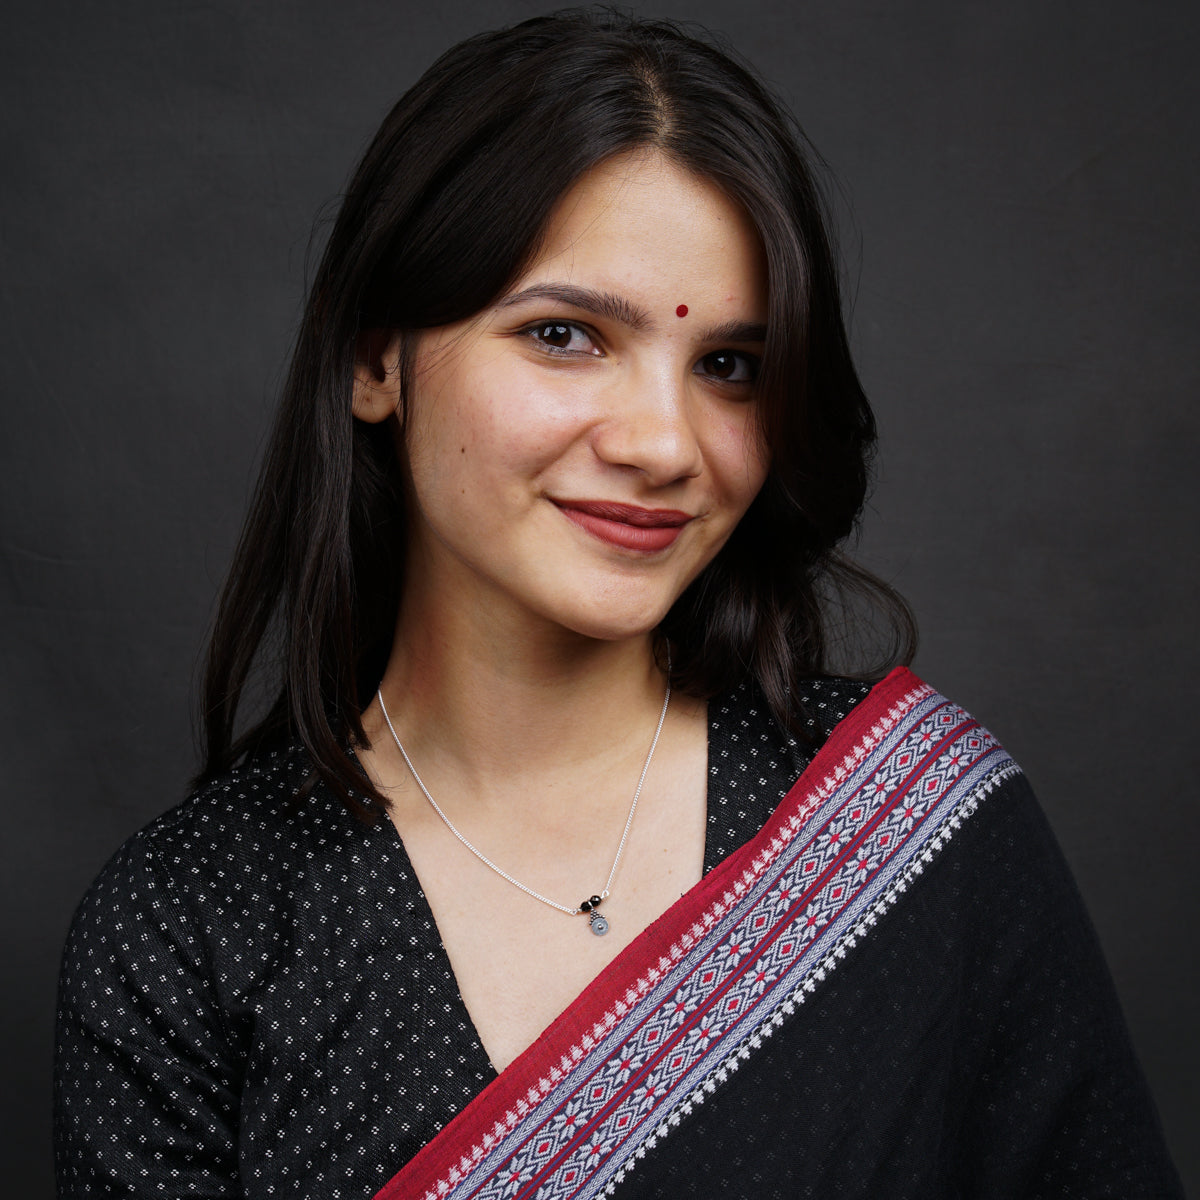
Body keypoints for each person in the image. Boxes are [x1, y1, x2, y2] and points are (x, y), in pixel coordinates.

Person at [53, 9, 1182, 1198]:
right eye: (565, 335)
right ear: (375, 361)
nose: (663, 444)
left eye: (729, 367)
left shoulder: (911, 829)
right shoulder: (187, 931)